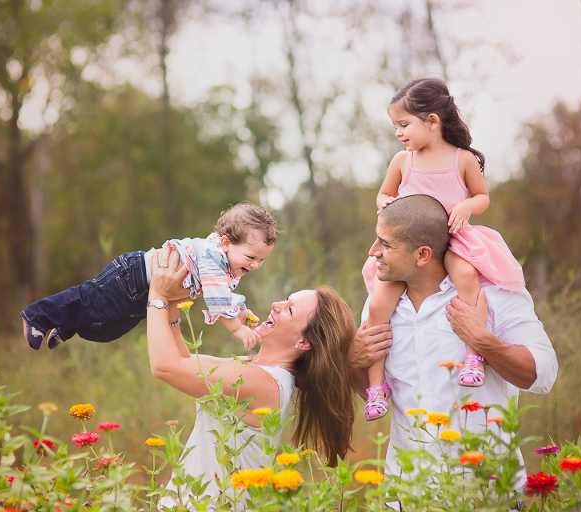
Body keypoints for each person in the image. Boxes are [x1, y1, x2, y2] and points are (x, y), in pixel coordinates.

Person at [349, 194, 558, 499]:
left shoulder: (494, 297)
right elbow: (374, 393)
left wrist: (483, 341)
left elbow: (543, 374)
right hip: (410, 494)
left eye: (385, 244)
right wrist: (353, 362)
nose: (373, 252)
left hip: (486, 494)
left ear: (423, 254)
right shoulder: (378, 307)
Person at [361, 78, 526, 421]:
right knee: (378, 304)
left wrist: (468, 207)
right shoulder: (403, 161)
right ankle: (376, 388)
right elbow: (382, 194)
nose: (398, 133)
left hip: (450, 238)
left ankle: (473, 355)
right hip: (409, 247)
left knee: (465, 274)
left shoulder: (461, 159)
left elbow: (482, 197)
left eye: (403, 125)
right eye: (395, 126)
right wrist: (387, 203)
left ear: (432, 121)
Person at [146, 247, 357, 509]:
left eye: (289, 310)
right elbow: (184, 362)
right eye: (286, 299)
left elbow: (164, 366)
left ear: (304, 342)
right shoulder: (253, 369)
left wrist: (158, 295)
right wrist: (175, 306)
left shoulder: (261, 383)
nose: (276, 306)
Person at [20, 203, 277, 351]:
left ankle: (68, 325)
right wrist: (237, 329)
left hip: (147, 294)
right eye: (251, 257)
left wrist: (240, 311)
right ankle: (37, 316)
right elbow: (217, 297)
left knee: (109, 330)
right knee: (90, 300)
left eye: (262, 259)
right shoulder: (213, 257)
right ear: (226, 243)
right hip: (133, 276)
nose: (255, 265)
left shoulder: (228, 264)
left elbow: (226, 295)